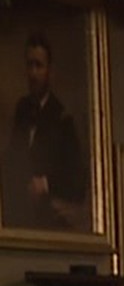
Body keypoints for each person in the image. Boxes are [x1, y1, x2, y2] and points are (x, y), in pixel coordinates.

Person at [1, 32, 86, 231]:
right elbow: (14, 158)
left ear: (50, 71)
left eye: (38, 66)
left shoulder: (62, 118)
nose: (33, 73)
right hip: (20, 216)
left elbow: (75, 177)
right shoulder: (22, 110)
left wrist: (46, 184)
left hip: (49, 221)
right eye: (29, 65)